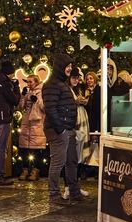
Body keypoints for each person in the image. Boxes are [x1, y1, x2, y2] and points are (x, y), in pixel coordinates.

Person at [42, 55, 86, 203]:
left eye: (71, 65)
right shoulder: (52, 84)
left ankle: (74, 191)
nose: (69, 68)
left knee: (71, 161)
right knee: (58, 162)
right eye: (67, 65)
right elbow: (51, 108)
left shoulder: (62, 83)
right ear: (60, 66)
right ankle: (54, 194)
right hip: (58, 130)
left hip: (68, 129)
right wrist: (60, 129)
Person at [0, 61, 20, 187]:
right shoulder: (5, 84)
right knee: (2, 148)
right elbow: (15, 100)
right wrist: (16, 87)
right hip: (3, 119)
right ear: (10, 73)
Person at [18, 74, 47, 180]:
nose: (28, 84)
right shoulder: (28, 92)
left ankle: (35, 171)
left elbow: (44, 107)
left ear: (36, 82)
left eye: (31, 82)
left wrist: (37, 100)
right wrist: (23, 96)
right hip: (26, 123)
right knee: (25, 149)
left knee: (37, 149)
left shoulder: (42, 92)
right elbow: (21, 106)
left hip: (37, 123)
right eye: (27, 82)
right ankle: (25, 170)